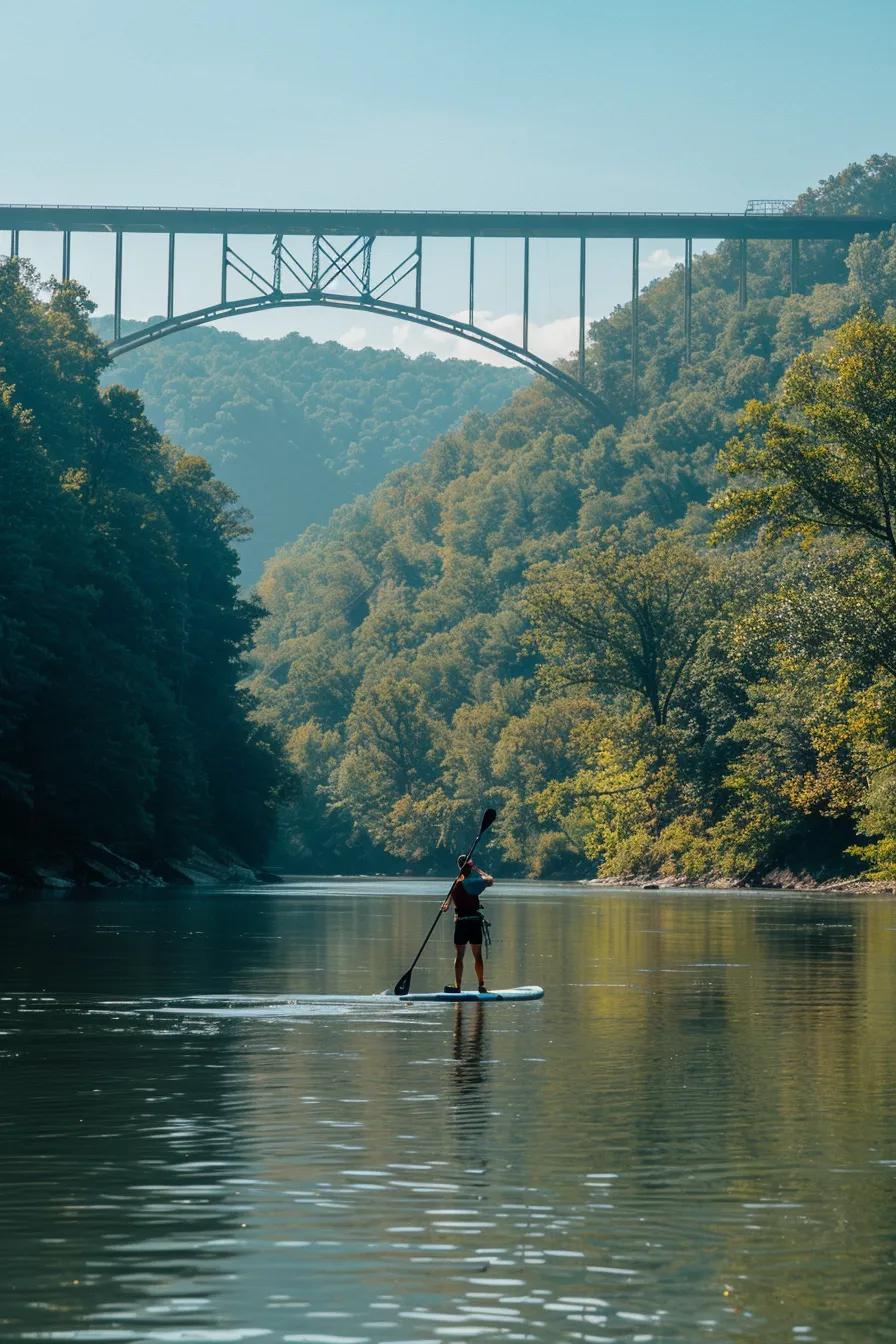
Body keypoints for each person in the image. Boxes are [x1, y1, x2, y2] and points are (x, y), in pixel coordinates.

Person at [441, 856, 493, 993]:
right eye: (471, 865)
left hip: (461, 923)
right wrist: (478, 869)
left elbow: (451, 898)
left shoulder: (456, 883)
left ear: (459, 867)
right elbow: (490, 880)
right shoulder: (473, 882)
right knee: (477, 955)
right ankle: (481, 985)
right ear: (469, 867)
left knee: (459, 955)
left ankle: (458, 987)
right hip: (473, 923)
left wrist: (446, 905)